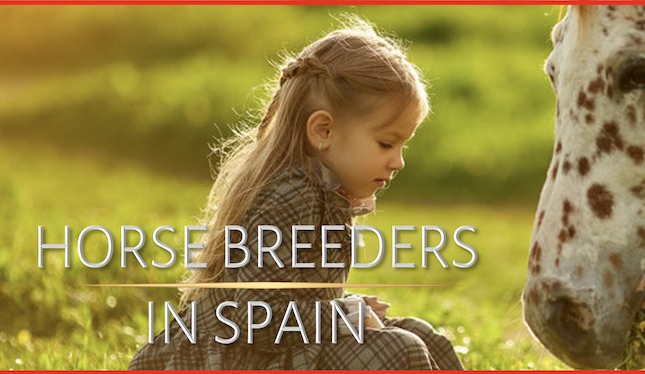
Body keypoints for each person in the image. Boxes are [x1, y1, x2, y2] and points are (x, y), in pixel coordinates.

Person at [128, 16, 463, 370]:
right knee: (400, 349)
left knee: (426, 338)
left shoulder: (323, 193)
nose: (398, 162)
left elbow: (294, 295)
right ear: (323, 130)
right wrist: (342, 315)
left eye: (402, 147)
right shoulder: (292, 194)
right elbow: (255, 315)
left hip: (277, 351)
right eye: (386, 143)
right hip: (238, 358)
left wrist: (346, 309)